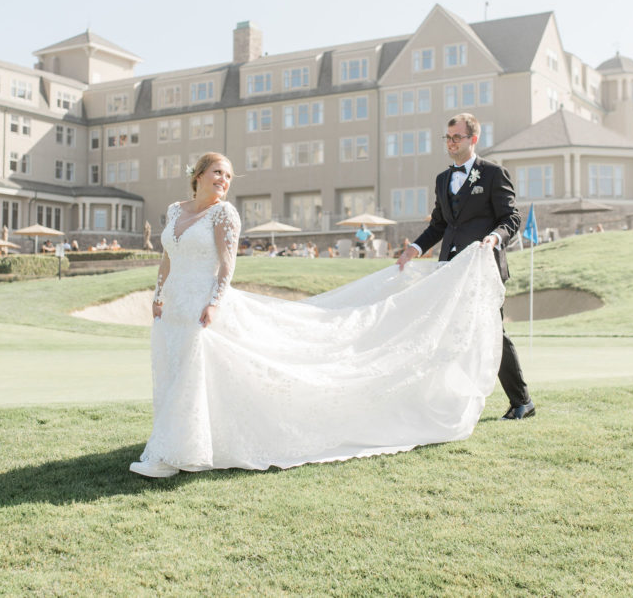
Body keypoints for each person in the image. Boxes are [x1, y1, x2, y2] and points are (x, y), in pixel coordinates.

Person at [128, 150, 506, 479]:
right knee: (173, 370)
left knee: (194, 372)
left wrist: (213, 302)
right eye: (218, 173)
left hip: (204, 304)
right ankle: (180, 441)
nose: (224, 180)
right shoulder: (176, 211)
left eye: (228, 175)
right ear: (198, 176)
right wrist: (159, 295)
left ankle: (174, 454)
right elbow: (167, 257)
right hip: (173, 305)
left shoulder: (225, 214)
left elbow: (227, 266)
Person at [396, 112, 535, 420]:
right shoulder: (443, 179)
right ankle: (444, 398)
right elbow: (439, 225)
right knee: (448, 331)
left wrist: (494, 239)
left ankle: (522, 401)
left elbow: (511, 219)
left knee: (493, 333)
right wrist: (414, 249)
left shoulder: (494, 174)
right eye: (447, 137)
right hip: (450, 270)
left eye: (456, 137)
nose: (450, 143)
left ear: (473, 139)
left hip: (483, 268)